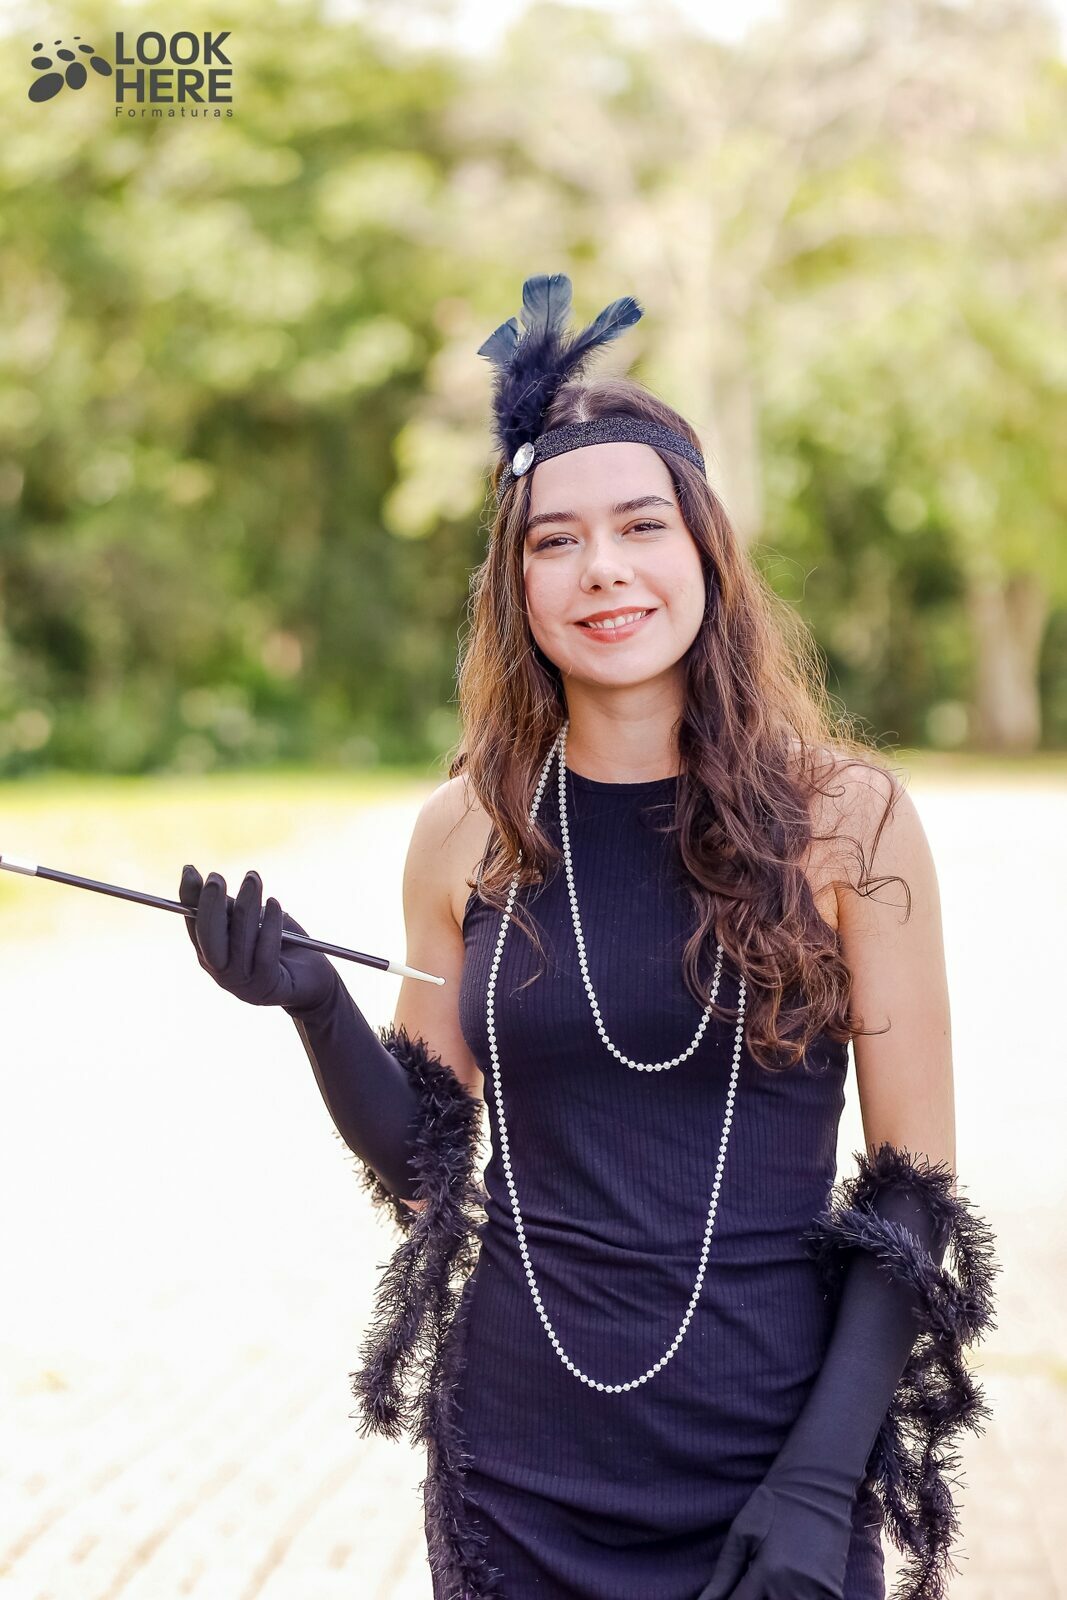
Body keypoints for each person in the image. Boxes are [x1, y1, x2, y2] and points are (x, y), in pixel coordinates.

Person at [178, 274, 998, 1600]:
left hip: (774, 1465)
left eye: (640, 526)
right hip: (519, 1471)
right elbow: (426, 1166)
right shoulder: (464, 830)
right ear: (518, 587)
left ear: (706, 554)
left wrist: (818, 1480)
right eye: (555, 541)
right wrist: (316, 1008)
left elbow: (911, 1192)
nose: (602, 567)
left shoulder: (848, 821)